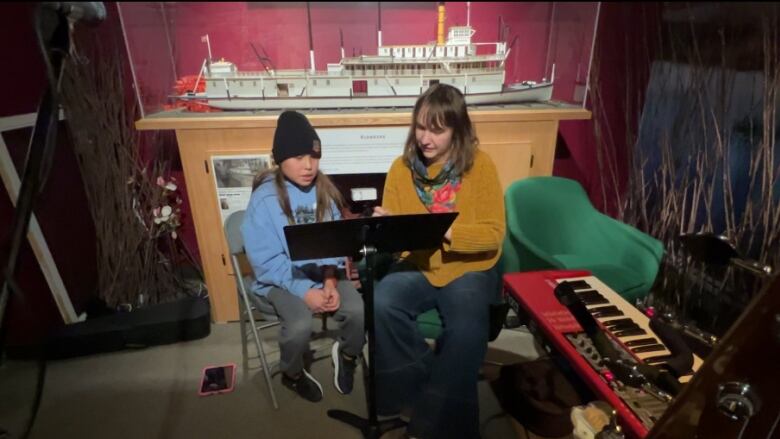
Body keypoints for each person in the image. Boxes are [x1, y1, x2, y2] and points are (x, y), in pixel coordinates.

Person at [372, 84, 505, 438]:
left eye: (437, 129)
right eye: (420, 127)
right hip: (420, 265)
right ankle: (431, 383)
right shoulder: (400, 170)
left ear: (457, 130)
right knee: (382, 302)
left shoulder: (481, 166)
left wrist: (448, 232)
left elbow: (493, 234)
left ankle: (429, 418)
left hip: (469, 267)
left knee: (466, 332)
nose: (425, 138)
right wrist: (388, 232)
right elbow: (401, 248)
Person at [242, 110, 365, 403]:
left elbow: (333, 243)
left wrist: (331, 281)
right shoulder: (264, 200)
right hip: (280, 280)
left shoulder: (325, 192)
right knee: (298, 325)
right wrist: (304, 291)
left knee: (358, 310)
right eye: (298, 158)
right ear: (279, 159)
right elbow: (266, 262)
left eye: (314, 157)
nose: (308, 166)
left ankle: (347, 354)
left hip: (321, 273)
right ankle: (292, 373)